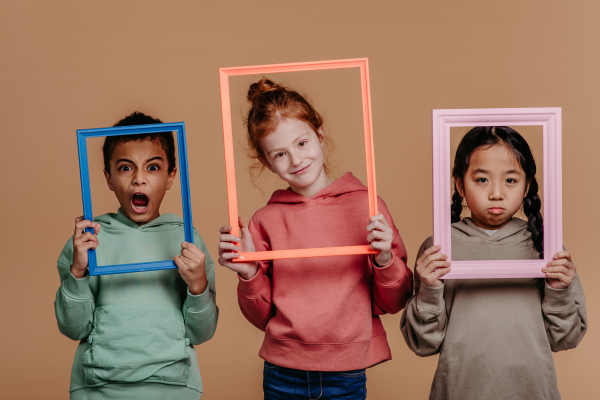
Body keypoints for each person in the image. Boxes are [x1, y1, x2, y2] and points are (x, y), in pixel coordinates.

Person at [218, 78, 413, 399]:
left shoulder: (367, 206)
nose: (296, 160)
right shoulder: (264, 221)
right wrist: (249, 272)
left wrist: (384, 260)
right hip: (282, 372)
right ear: (267, 162)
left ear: (320, 136)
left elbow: (395, 301)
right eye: (280, 154)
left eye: (302, 143)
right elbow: (261, 317)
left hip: (346, 373)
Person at [400, 126, 587, 400]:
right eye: (482, 180)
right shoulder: (438, 249)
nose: (497, 193)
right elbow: (423, 344)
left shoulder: (549, 250)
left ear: (527, 186)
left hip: (532, 391)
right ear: (460, 185)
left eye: (511, 180)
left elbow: (566, 339)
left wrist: (558, 292)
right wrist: (429, 289)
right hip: (459, 391)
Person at [54, 112, 218, 400]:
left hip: (173, 386)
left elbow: (201, 333)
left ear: (170, 177)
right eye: (126, 168)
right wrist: (77, 272)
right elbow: (73, 327)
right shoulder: (89, 239)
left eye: (152, 167)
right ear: (108, 177)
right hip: (99, 386)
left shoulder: (187, 240)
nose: (139, 180)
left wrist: (198, 286)